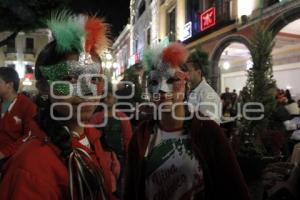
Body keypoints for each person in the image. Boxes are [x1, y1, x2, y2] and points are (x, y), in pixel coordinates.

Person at [0, 12, 118, 200]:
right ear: (44, 89)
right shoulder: (31, 167)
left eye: (94, 79)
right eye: (70, 79)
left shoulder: (92, 138)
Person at [124, 42, 250, 200]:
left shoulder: (208, 132)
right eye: (154, 82)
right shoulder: (141, 137)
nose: (162, 90)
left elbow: (234, 189)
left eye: (171, 80)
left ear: (186, 85)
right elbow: (131, 191)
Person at [90, 85, 133, 198]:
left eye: (109, 97)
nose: (106, 99)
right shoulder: (96, 117)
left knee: (118, 186)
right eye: (105, 97)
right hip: (102, 157)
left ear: (115, 99)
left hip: (119, 157)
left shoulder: (122, 117)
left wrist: (128, 157)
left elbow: (127, 139)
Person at [0, 67, 37, 163]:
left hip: (13, 159)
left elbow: (29, 135)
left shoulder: (27, 106)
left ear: (10, 85)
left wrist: (4, 153)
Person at [185, 48, 221, 123]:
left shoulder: (208, 94)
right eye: (185, 71)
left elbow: (206, 126)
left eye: (189, 71)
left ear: (198, 72)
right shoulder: (189, 90)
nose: (185, 74)